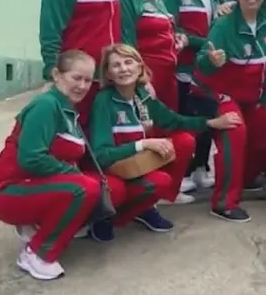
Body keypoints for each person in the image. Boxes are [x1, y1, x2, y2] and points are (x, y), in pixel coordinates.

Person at [86, 44, 243, 239]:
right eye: (116, 65)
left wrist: (211, 122)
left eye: (128, 62)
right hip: (114, 171)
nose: (124, 69)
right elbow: (101, 155)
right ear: (108, 74)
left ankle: (143, 208)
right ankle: (108, 218)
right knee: (118, 189)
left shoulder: (141, 96)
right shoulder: (104, 101)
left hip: (137, 167)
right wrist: (142, 144)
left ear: (140, 67)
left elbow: (174, 121)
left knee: (183, 143)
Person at [0, 51, 103, 281]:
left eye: (88, 80)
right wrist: (74, 175)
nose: (82, 85)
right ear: (57, 75)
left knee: (105, 188)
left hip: (32, 186)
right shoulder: (46, 106)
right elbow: (31, 158)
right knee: (83, 188)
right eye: (76, 78)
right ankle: (37, 254)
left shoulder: (67, 108)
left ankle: (41, 224)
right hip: (7, 191)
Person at [195, 0, 266, 223]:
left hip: (253, 95)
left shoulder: (265, 22)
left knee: (265, 125)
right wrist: (212, 61)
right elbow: (202, 61)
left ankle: (248, 179)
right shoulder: (224, 25)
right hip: (220, 92)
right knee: (235, 132)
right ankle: (224, 202)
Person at [162, 0, 218, 194]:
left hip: (208, 70)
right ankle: (182, 171)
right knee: (187, 120)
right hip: (185, 69)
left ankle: (201, 167)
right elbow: (172, 30)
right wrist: (201, 42)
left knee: (208, 119)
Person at [118, 0, 189, 111]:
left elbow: (163, 29)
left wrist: (177, 37)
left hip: (169, 78)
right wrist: (141, 81)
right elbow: (126, 44)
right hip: (147, 78)